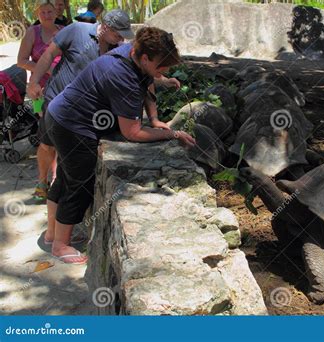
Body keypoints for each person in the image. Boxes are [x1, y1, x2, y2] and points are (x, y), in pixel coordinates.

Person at [44, 27, 196, 264]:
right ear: (145, 58)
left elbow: (147, 82)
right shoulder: (120, 73)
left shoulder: (133, 53)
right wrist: (172, 135)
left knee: (65, 174)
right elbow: (132, 132)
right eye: (162, 66)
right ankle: (60, 245)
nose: (164, 72)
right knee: (80, 184)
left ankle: (52, 233)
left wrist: (155, 118)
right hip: (72, 125)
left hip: (60, 114)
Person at [27, 9, 131, 204]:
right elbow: (49, 55)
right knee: (47, 144)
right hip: (55, 100)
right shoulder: (77, 30)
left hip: (83, 109)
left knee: (68, 150)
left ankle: (59, 190)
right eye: (118, 34)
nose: (120, 39)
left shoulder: (116, 48)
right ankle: (42, 182)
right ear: (105, 27)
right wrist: (34, 82)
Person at [17, 0, 63, 201]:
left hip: (62, 90)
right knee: (46, 137)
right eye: (43, 12)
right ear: (37, 13)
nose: (46, 14)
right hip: (38, 92)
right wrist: (44, 68)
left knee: (61, 135)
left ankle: (56, 178)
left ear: (56, 12)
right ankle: (42, 181)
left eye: (50, 11)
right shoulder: (32, 32)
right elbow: (21, 61)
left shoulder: (63, 31)